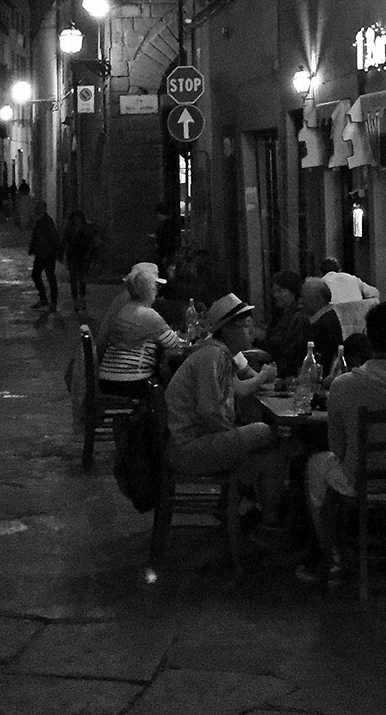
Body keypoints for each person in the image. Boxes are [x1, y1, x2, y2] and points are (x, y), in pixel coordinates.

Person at [299, 300, 386, 583]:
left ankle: (334, 557)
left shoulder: (345, 385)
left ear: (368, 338)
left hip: (360, 482)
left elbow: (337, 447)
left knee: (316, 465)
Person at [165, 293, 286, 542]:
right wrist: (234, 433)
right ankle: (263, 515)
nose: (252, 331)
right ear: (228, 329)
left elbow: (234, 393)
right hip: (187, 448)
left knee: (266, 447)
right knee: (265, 432)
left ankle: (255, 511)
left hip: (189, 442)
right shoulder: (214, 356)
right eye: (246, 325)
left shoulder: (217, 353)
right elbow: (209, 412)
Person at [96, 262, 183, 398]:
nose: (157, 290)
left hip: (107, 378)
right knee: (165, 386)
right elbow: (173, 343)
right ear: (148, 289)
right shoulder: (148, 315)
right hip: (132, 381)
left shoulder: (124, 308)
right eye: (155, 287)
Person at [261, 269, 311, 378]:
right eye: (274, 291)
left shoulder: (298, 317)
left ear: (293, 292)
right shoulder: (280, 315)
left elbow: (290, 353)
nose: (275, 295)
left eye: (280, 291)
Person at [320, 255, 379, 337]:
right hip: (359, 323)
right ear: (340, 269)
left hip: (336, 327)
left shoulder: (321, 283)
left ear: (320, 272)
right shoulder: (352, 278)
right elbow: (374, 293)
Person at [300, 277, 344, 376]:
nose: (301, 301)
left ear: (318, 299)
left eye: (304, 297)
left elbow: (322, 359)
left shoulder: (325, 323)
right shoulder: (324, 319)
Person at [60, 208, 94, 313]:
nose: (77, 220)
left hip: (82, 256)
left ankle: (82, 299)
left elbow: (90, 242)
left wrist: (89, 254)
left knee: (82, 279)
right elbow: (65, 241)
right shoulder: (70, 228)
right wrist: (62, 253)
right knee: (74, 279)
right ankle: (75, 301)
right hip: (73, 256)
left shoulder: (86, 228)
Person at [28, 200, 60, 313]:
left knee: (50, 277)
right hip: (42, 253)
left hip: (47, 253)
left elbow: (51, 237)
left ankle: (51, 301)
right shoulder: (40, 220)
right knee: (37, 275)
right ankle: (44, 299)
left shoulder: (46, 221)